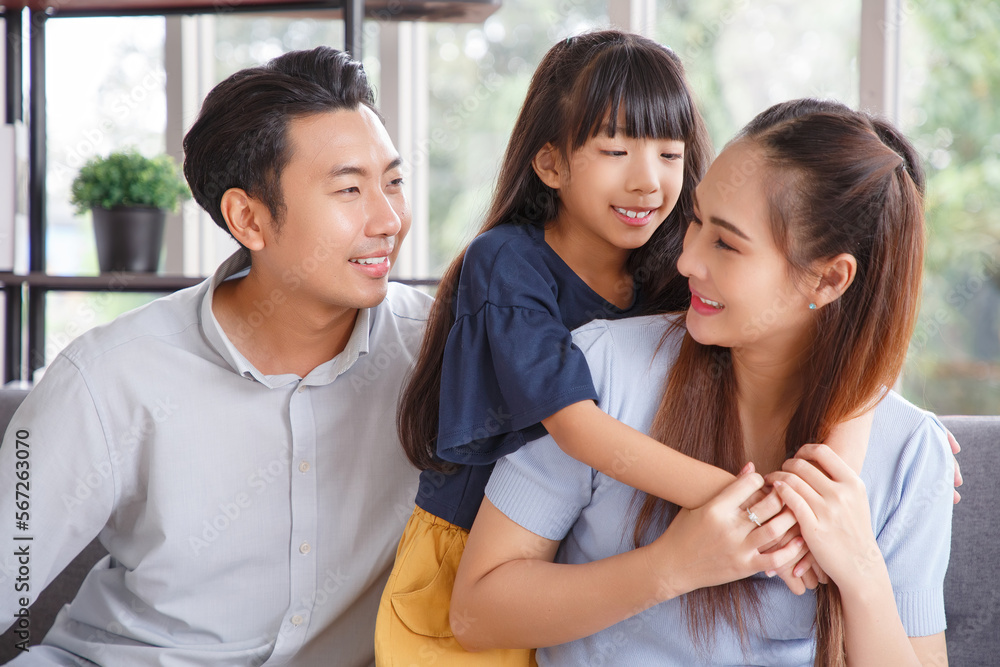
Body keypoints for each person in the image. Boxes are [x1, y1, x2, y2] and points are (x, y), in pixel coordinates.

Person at [375, 33, 872, 665]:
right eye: (615, 149)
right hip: (463, 559)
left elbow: (803, 334)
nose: (647, 181)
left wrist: (902, 420)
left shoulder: (672, 276)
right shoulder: (506, 262)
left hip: (566, 563)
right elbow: (578, 429)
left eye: (669, 153)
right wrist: (763, 508)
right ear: (551, 164)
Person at [450, 99, 954, 666]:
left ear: (830, 277)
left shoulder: (911, 453)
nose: (686, 259)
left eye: (727, 243)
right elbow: (477, 611)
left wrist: (860, 570)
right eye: (696, 220)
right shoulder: (605, 367)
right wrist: (669, 568)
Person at [0, 47, 431, 665]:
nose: (389, 219)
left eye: (393, 182)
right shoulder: (108, 378)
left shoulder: (436, 354)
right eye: (348, 189)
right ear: (248, 220)